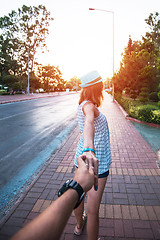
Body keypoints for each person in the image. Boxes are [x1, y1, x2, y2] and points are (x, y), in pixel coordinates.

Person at [11, 156, 95, 240]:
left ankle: (79, 226)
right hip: (99, 162)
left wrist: (76, 189)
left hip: (82, 159)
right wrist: (77, 188)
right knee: (94, 208)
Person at [74, 70, 112, 240]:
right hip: (97, 162)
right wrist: (90, 148)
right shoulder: (89, 107)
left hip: (81, 160)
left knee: (78, 196)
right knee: (92, 210)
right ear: (97, 88)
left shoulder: (83, 104)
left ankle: (78, 226)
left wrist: (86, 150)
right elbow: (89, 122)